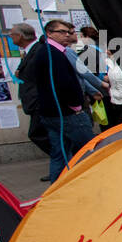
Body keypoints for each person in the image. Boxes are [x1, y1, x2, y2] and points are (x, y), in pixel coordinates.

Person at [36, 20, 97, 181]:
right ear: (49, 33)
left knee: (60, 153)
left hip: (54, 113)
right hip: (66, 113)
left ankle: (57, 188)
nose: (67, 35)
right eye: (62, 32)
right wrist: (75, 106)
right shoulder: (53, 54)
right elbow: (64, 83)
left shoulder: (51, 52)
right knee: (91, 149)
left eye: (68, 32)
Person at [8, 23, 52, 178]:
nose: (10, 37)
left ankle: (66, 160)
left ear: (20, 36)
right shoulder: (30, 52)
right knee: (46, 134)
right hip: (35, 101)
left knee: (37, 133)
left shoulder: (39, 50)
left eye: (12, 34)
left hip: (40, 101)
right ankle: (60, 164)